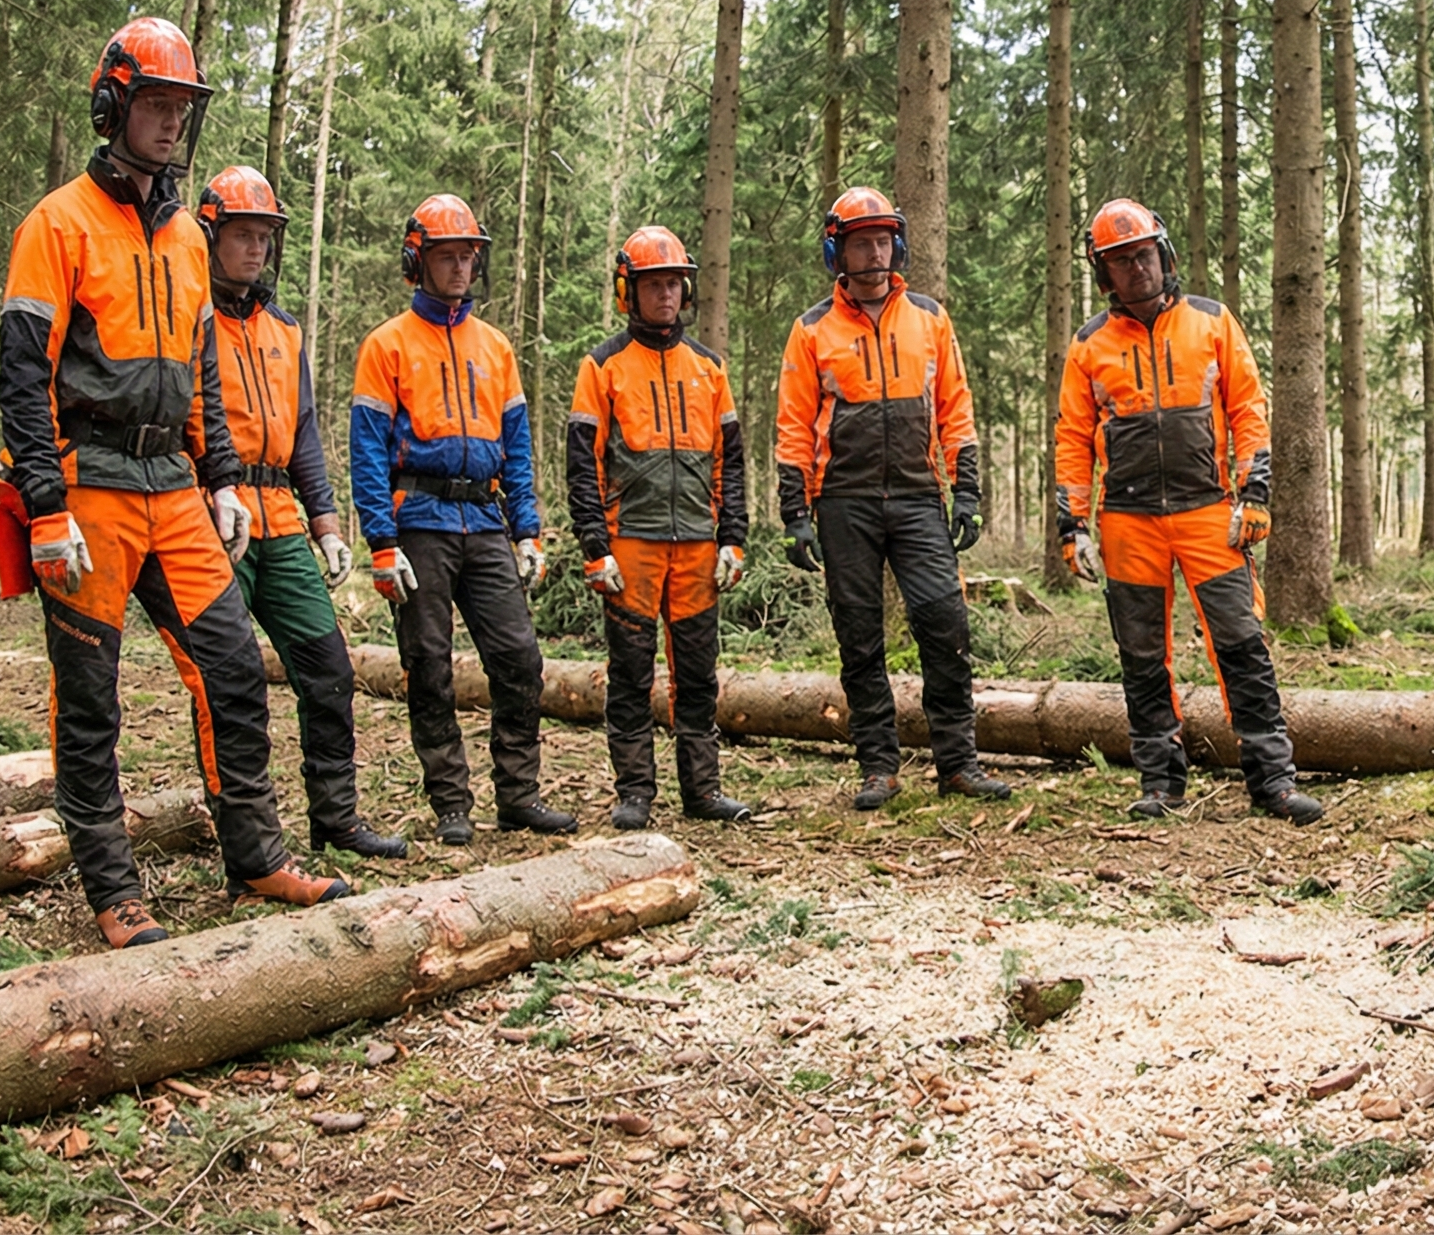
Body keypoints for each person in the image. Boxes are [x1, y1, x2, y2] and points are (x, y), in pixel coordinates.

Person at [0, 17, 351, 949]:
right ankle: (114, 891)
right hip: (90, 482)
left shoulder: (189, 243)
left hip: (174, 484)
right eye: (155, 104)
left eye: (182, 108)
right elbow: (23, 374)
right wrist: (43, 504)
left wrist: (224, 478)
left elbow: (199, 372)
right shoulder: (58, 223)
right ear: (114, 104)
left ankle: (257, 857)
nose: (169, 124)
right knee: (92, 693)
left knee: (233, 666)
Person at [1052, 198, 1322, 826]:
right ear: (1104, 274)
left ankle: (1272, 780)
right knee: (1142, 655)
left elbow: (1248, 411)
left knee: (1242, 644)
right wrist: (1073, 521)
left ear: (1163, 254)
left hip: (1209, 510)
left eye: (1142, 255)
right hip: (1126, 517)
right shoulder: (1089, 345)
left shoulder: (1212, 321)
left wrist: (1255, 492)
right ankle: (1159, 779)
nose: (1136, 270)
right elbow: (1072, 437)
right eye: (1120, 262)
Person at [773, 187, 1011, 810]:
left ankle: (958, 760)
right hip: (843, 499)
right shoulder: (811, 330)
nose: (873, 254)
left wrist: (967, 490)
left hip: (915, 494)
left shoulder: (929, 318)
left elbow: (955, 407)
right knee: (859, 636)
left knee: (945, 622)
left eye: (882, 241)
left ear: (897, 245)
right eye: (860, 243)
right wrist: (795, 511)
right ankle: (877, 764)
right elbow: (794, 424)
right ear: (839, 252)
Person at [349, 194, 571, 847]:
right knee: (430, 662)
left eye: (468, 256)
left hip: (483, 513)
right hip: (417, 517)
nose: (459, 268)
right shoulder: (386, 345)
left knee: (519, 657)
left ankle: (518, 793)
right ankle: (450, 800)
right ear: (418, 262)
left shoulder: (495, 348)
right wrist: (380, 542)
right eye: (446, 256)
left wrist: (527, 527)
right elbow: (366, 450)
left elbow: (518, 445)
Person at [198, 165, 406, 860]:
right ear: (211, 236)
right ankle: (246, 838)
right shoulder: (189, 319)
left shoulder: (284, 331)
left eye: (264, 237)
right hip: (211, 515)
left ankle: (336, 819)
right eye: (242, 236)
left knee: (328, 666)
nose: (255, 250)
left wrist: (325, 522)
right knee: (227, 681)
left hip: (280, 514)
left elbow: (306, 433)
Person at [567, 225, 754, 828]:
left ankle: (702, 789)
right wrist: (595, 546)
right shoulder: (603, 366)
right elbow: (581, 465)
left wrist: (735, 536)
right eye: (654, 284)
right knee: (630, 670)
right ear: (631, 290)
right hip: (632, 542)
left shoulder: (709, 367)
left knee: (697, 672)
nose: (666, 295)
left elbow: (731, 458)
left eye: (674, 283)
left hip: (698, 543)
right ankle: (635, 792)